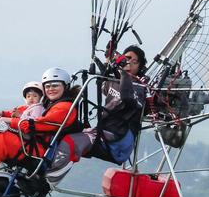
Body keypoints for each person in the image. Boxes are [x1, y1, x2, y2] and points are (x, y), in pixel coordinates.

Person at [46, 45, 147, 187]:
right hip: (102, 132)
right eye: (126, 59)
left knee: (71, 142)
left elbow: (127, 96)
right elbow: (103, 82)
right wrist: (108, 58)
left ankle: (47, 183)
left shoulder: (139, 89)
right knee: (60, 133)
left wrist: (125, 73)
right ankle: (40, 169)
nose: (129, 63)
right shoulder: (116, 82)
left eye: (134, 62)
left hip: (118, 140)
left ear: (140, 67)